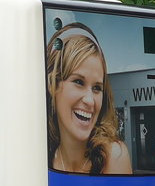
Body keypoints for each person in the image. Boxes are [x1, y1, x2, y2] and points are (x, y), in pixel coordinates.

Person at [45, 23, 132, 175]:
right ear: (52, 84)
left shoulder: (114, 157)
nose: (90, 101)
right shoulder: (38, 156)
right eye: (78, 82)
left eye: (97, 88)